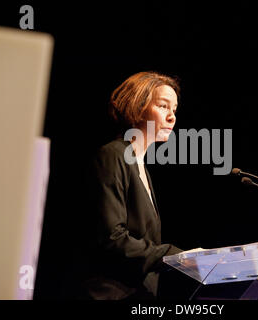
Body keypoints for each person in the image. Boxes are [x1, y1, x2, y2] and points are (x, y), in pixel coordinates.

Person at [82, 71, 183, 300]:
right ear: (138, 107)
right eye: (163, 106)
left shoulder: (141, 167)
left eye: (174, 109)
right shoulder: (113, 155)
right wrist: (174, 255)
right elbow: (112, 238)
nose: (172, 117)